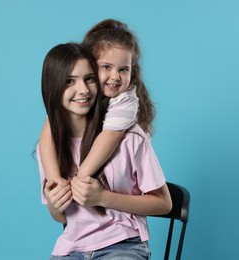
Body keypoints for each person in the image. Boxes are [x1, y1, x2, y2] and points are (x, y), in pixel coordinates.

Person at [37, 42, 172, 259]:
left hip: (123, 245)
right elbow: (62, 217)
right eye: (69, 81)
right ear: (53, 87)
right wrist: (55, 205)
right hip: (73, 247)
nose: (82, 90)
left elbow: (164, 203)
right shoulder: (52, 145)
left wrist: (103, 197)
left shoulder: (129, 137)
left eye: (89, 79)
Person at [38, 19, 155, 187]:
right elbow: (49, 127)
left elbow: (110, 137)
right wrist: (54, 181)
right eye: (106, 67)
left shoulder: (126, 101)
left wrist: (78, 180)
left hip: (126, 173)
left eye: (123, 69)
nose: (115, 76)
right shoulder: (84, 93)